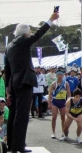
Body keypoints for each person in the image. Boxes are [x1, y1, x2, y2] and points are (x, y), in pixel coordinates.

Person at [4, 11, 59, 153]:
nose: (30, 34)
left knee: (13, 114)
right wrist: (51, 20)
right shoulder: (22, 41)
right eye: (29, 32)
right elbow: (38, 34)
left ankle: (11, 143)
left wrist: (7, 89)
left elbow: (7, 70)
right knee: (22, 115)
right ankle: (19, 146)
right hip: (24, 82)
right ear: (25, 33)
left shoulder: (9, 46)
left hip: (14, 83)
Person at [48, 68, 71, 139]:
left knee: (63, 117)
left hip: (63, 101)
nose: (60, 76)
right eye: (58, 74)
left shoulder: (66, 83)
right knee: (54, 117)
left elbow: (69, 93)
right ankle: (53, 133)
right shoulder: (53, 84)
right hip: (55, 101)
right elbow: (50, 94)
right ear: (56, 75)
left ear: (63, 75)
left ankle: (63, 132)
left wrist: (69, 102)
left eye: (61, 74)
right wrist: (49, 103)